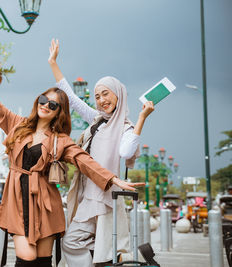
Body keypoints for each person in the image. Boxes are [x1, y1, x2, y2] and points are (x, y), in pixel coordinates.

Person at [0, 56, 144, 267]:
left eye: (53, 105)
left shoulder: (60, 140)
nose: (46, 105)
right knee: (26, 257)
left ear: (59, 112)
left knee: (43, 260)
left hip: (45, 203)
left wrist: (113, 179)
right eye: (43, 100)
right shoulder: (18, 124)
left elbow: (84, 161)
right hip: (17, 197)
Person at [48, 39, 154, 266]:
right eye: (97, 96)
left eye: (106, 94)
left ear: (118, 94)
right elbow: (72, 99)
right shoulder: (96, 121)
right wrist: (53, 63)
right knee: (97, 248)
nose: (101, 100)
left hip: (105, 196)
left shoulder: (126, 127)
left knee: (74, 242)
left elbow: (126, 152)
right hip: (87, 193)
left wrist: (142, 118)